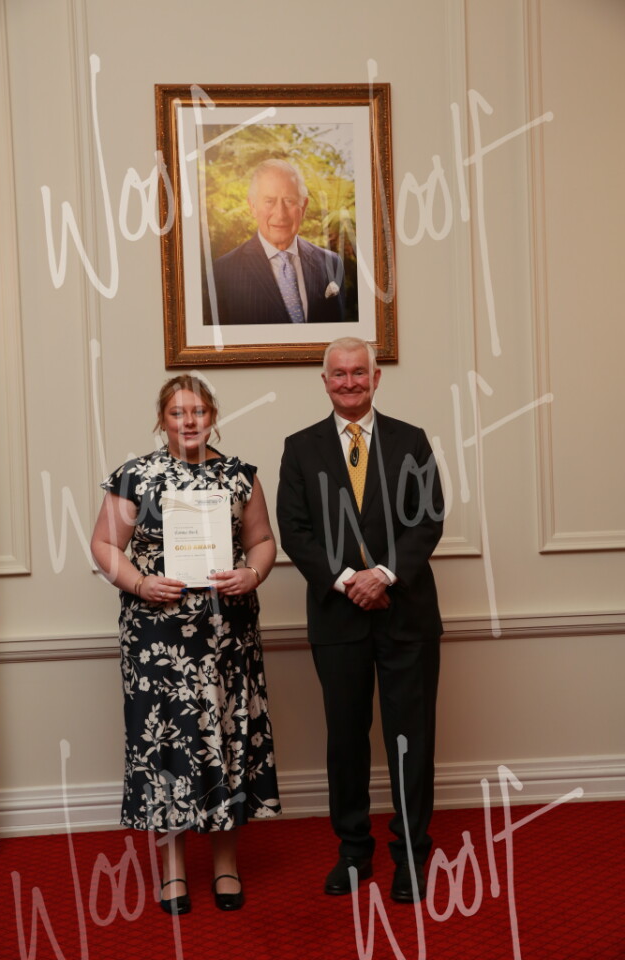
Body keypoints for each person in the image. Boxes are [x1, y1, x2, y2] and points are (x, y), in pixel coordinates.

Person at [90, 375, 280, 915]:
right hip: (157, 639)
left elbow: (263, 541)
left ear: (213, 415)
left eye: (198, 411)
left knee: (227, 741)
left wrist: (252, 574)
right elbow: (103, 544)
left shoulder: (240, 476)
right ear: (163, 420)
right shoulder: (135, 475)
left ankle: (226, 863)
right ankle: (172, 869)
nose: (189, 421)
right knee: (165, 748)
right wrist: (139, 584)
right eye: (178, 413)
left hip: (227, 637)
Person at [276, 337, 443, 903]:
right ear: (324, 381)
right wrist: (350, 580)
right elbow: (294, 530)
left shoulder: (411, 441)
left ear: (376, 378)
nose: (349, 382)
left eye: (359, 372)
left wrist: (385, 576)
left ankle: (411, 856)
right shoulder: (299, 448)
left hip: (407, 617)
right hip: (337, 618)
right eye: (339, 374)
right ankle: (353, 851)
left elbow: (428, 520)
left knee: (410, 741)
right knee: (345, 740)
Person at [210, 159, 347, 325]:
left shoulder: (331, 264)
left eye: (289, 201)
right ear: (252, 206)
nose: (280, 214)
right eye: (269, 201)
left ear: (303, 207)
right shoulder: (222, 272)